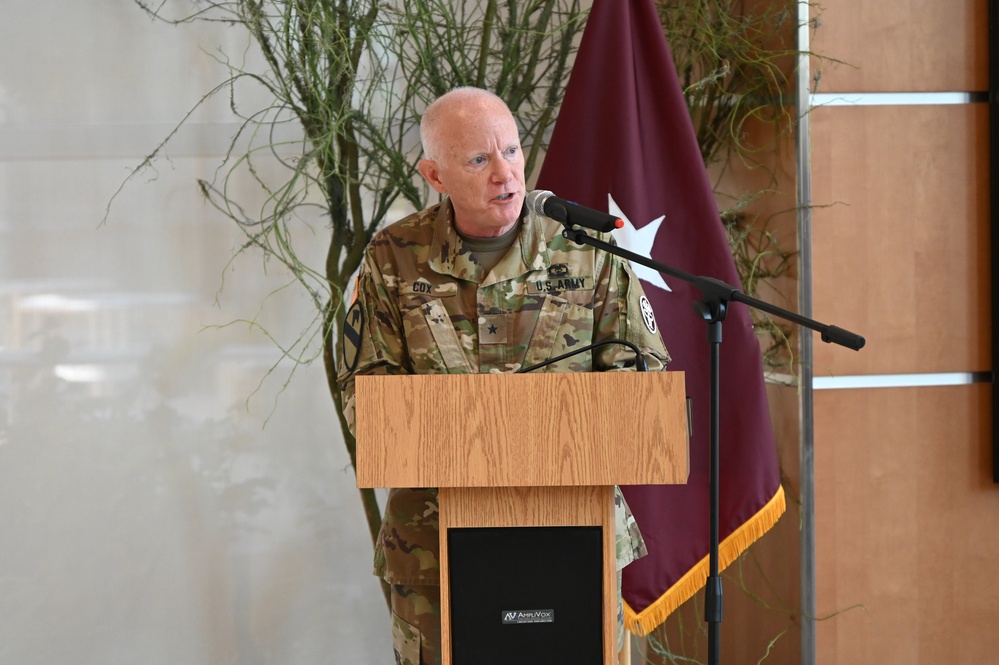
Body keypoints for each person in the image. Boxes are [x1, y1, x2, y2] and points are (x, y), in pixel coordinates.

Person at [337, 87, 670, 665]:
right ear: (435, 175)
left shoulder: (586, 249)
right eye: (479, 160)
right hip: (433, 550)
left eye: (512, 152)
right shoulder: (394, 257)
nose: (505, 173)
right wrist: (473, 437)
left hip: (576, 534)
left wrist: (541, 432)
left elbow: (643, 377)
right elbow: (364, 397)